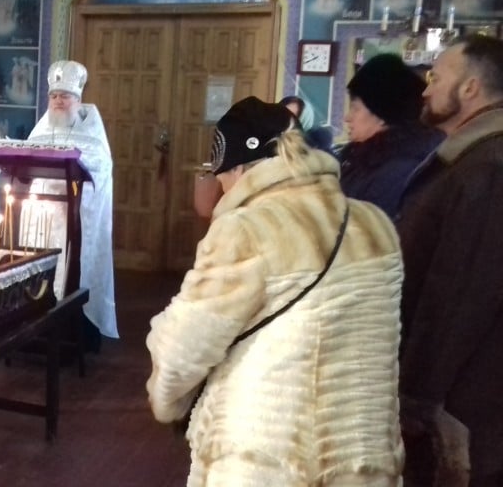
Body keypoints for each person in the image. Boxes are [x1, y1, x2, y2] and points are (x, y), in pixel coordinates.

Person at [146, 97, 404, 484]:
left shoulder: (246, 229)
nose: (220, 186)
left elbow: (186, 346)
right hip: (360, 458)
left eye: (219, 175)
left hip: (267, 458)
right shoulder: (374, 224)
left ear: (237, 168)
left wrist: (166, 399)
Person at [396, 35, 503, 484]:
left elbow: (460, 294)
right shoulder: (472, 159)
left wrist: (417, 398)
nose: (426, 89)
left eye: (436, 78)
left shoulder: (489, 166)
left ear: (470, 88)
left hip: (464, 403)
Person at [23, 60, 116, 341]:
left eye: (64, 96)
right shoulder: (41, 130)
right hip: (43, 214)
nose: (58, 101)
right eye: (53, 96)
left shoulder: (92, 133)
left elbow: (99, 169)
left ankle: (73, 331)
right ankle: (35, 328)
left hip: (75, 216)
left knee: (72, 269)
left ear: (78, 99)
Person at [339, 54, 443, 218]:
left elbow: (367, 228)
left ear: (381, 115)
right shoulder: (366, 158)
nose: (347, 117)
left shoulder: (398, 171)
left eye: (355, 108)